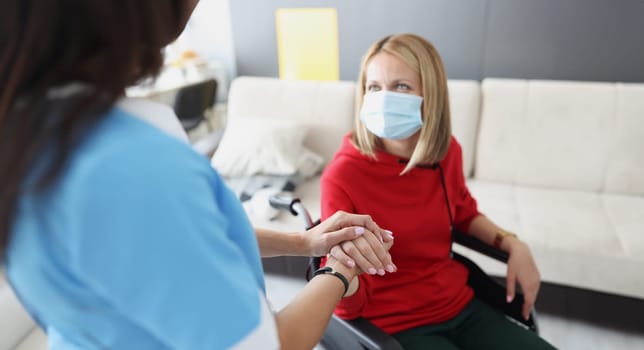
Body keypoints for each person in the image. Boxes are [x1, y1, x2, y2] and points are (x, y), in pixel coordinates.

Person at [0, 1, 395, 349]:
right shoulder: (136, 168)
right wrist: (338, 270)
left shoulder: (29, 134)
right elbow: (271, 344)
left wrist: (303, 242)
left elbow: (172, 244)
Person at [320, 33, 557, 349]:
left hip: (458, 304)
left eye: (401, 86)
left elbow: (462, 212)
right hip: (395, 325)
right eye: (374, 87)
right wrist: (341, 277)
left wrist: (513, 244)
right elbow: (343, 296)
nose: (385, 98)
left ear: (429, 94)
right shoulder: (342, 176)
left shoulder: (446, 153)